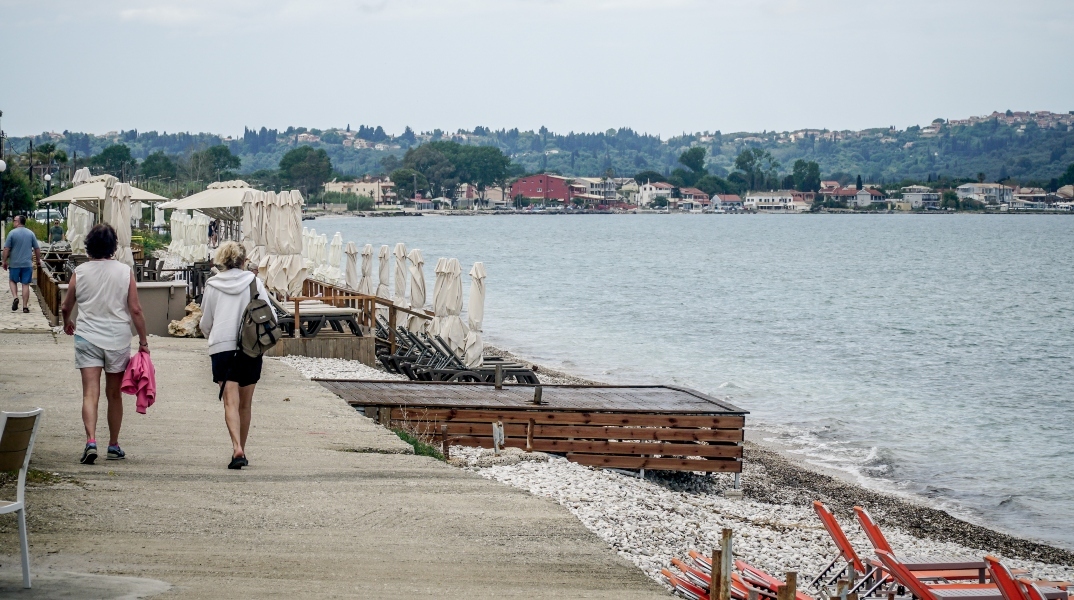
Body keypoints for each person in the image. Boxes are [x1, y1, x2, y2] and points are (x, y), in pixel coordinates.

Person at [61, 223, 149, 465]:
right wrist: (143, 341)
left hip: (87, 336)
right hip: (117, 340)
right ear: (113, 246)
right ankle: (113, 445)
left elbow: (66, 305)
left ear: (89, 244)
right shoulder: (124, 271)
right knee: (114, 395)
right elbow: (136, 309)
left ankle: (90, 441)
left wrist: (67, 322)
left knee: (90, 393)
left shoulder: (80, 272)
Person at [199, 241, 274, 469]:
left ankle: (236, 448)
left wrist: (212, 336)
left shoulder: (212, 285)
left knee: (230, 402)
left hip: (222, 347)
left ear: (221, 260)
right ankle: (243, 446)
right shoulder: (254, 282)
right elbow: (271, 317)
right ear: (243, 261)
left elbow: (205, 322)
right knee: (246, 403)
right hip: (249, 348)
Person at [2, 215, 42, 313]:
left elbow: (6, 249)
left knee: (12, 281)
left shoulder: (11, 233)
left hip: (14, 263)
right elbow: (37, 248)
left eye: (14, 220)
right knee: (25, 284)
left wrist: (4, 261)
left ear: (19, 222)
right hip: (27, 264)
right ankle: (25, 306)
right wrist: (38, 260)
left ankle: (15, 297)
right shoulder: (30, 233)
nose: (13, 222)